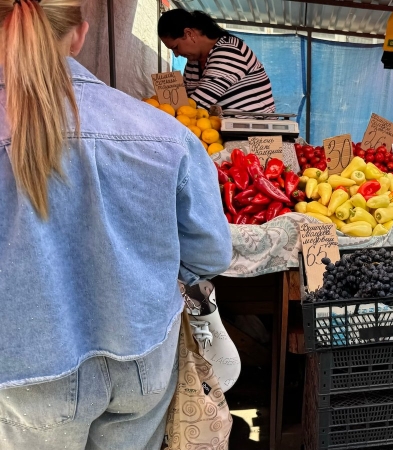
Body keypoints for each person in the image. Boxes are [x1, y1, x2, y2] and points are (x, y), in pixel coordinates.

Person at [0, 1, 232, 449]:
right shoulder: (164, 133)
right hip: (143, 356)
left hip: (26, 372)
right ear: (80, 34)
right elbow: (210, 254)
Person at [158, 9, 276, 113]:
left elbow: (196, 106)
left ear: (188, 34)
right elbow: (185, 102)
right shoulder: (193, 62)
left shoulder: (229, 51)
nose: (176, 54)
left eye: (175, 47)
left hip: (254, 134)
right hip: (215, 132)